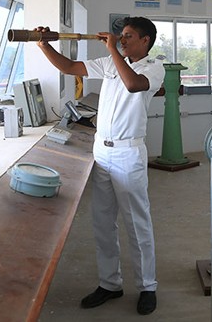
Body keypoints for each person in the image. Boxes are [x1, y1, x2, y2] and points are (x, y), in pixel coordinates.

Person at [35, 16, 164, 316]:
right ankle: (110, 283)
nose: (123, 39)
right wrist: (44, 45)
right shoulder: (110, 63)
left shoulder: (152, 67)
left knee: (137, 223)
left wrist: (113, 51)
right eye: (122, 35)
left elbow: (132, 85)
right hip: (101, 151)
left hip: (128, 154)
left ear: (145, 41)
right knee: (103, 222)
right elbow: (68, 67)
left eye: (130, 36)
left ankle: (148, 287)